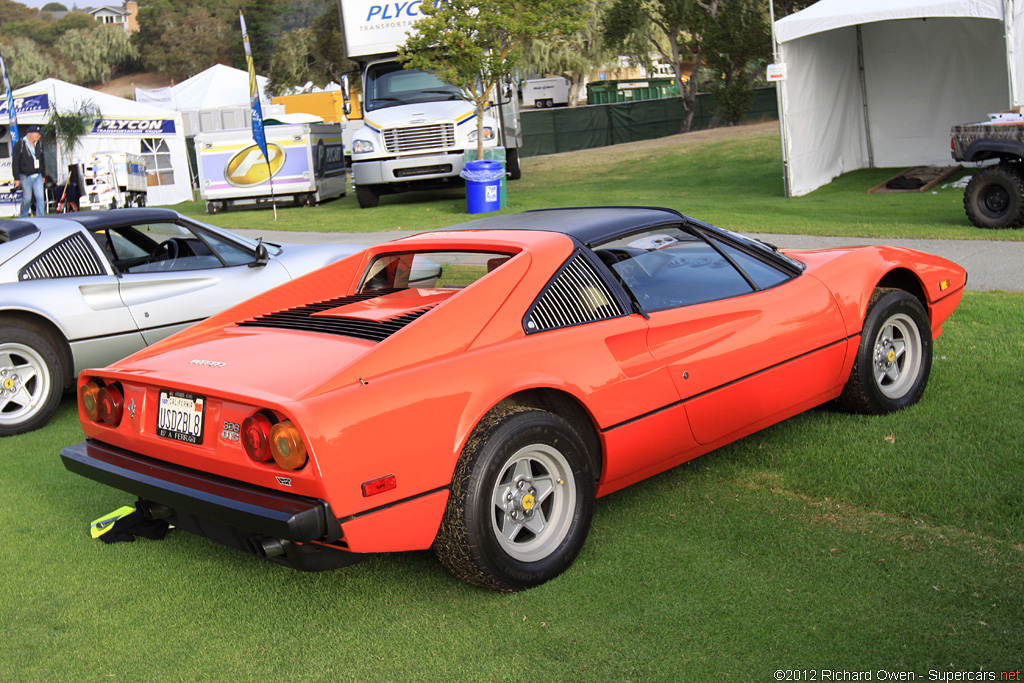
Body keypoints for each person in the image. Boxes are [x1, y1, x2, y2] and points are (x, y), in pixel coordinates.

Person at [12, 124, 46, 218]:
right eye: (37, 134)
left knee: (40, 197)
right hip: (25, 176)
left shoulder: (39, 144)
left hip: (37, 175)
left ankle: (41, 217)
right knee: (27, 198)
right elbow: (15, 161)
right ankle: (23, 217)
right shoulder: (20, 144)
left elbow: (42, 159)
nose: (39, 136)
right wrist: (16, 178)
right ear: (30, 134)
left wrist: (43, 175)